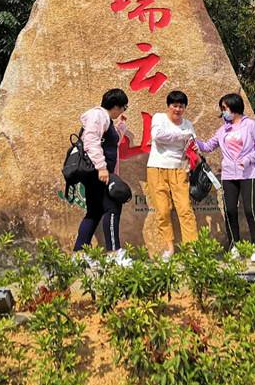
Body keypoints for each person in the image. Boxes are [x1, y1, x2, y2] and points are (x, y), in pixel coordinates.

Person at [196, 93, 255, 262]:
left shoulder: (250, 125)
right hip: (228, 175)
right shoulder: (222, 130)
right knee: (230, 211)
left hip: (248, 174)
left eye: (225, 108)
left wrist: (248, 160)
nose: (223, 112)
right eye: (222, 109)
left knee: (250, 210)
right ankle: (234, 245)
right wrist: (192, 139)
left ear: (235, 107)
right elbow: (207, 146)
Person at [74, 88, 133, 266]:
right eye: (124, 107)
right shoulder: (98, 116)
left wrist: (120, 127)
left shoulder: (104, 118)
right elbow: (91, 141)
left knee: (94, 212)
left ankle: (79, 256)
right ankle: (114, 254)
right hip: (98, 174)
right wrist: (102, 168)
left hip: (96, 174)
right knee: (113, 208)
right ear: (116, 106)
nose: (123, 111)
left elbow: (108, 142)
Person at [146, 90, 198, 260]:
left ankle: (192, 249)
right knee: (162, 210)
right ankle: (169, 248)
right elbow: (158, 136)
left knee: (185, 209)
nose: (177, 109)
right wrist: (182, 136)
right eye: (174, 105)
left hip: (179, 169)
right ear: (168, 106)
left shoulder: (188, 124)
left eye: (181, 106)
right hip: (157, 168)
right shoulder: (159, 118)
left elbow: (192, 143)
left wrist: (183, 138)